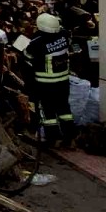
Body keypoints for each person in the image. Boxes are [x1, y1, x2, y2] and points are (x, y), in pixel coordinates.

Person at [23, 12, 76, 147]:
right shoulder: (64, 35)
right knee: (64, 109)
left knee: (48, 111)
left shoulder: (37, 42)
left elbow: (27, 56)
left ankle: (53, 139)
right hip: (63, 81)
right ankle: (69, 138)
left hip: (45, 83)